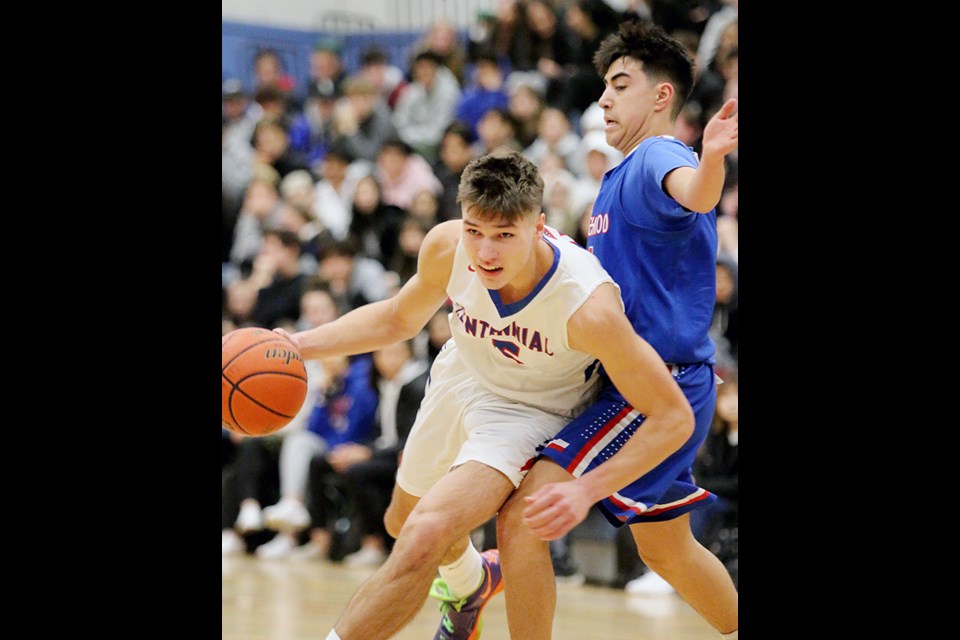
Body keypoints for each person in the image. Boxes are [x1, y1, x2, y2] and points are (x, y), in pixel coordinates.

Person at [273, 150, 693, 640]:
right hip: (461, 374)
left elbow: (673, 415)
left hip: (530, 411)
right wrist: (298, 344)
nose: (485, 253)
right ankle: (470, 583)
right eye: (474, 230)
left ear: (538, 227)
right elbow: (396, 318)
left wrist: (586, 489)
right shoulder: (446, 247)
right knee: (400, 521)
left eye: (504, 236)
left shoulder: (586, 305)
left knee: (424, 535)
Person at [494, 19, 740, 640]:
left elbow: (697, 193)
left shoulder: (661, 155)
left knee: (527, 513)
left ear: (661, 97)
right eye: (603, 85)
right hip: (649, 378)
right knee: (666, 551)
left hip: (658, 385)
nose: (604, 97)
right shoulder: (615, 177)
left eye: (620, 84)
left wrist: (711, 159)